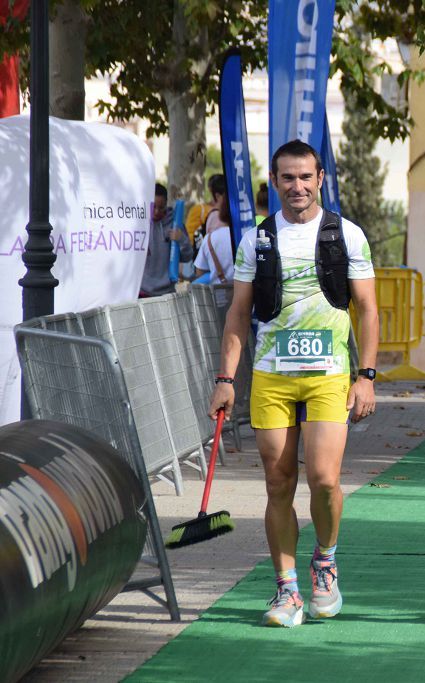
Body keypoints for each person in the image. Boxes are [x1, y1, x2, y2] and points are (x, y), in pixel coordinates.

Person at [208, 139, 379, 628]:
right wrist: (225, 379)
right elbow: (239, 314)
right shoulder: (256, 240)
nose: (297, 186)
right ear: (276, 183)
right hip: (271, 377)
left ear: (320, 178)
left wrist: (365, 376)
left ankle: (325, 561)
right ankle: (286, 592)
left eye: (306, 176)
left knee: (324, 480)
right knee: (278, 483)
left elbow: (366, 309)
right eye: (287, 178)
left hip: (328, 375)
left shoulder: (347, 235)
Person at [140, 183, 193, 297]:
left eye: (161, 207)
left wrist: (181, 240)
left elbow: (187, 257)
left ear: (166, 204)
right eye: (153, 207)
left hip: (167, 292)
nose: (157, 212)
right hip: (141, 291)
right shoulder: (137, 222)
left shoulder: (175, 224)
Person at [194, 179, 234, 286]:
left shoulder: (210, 238)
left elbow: (200, 272)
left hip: (217, 295)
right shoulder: (249, 235)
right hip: (246, 296)